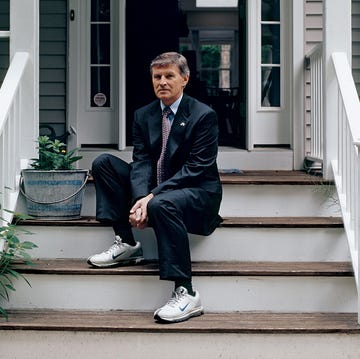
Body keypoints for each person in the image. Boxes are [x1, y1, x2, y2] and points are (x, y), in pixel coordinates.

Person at [87, 52, 222, 323]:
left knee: (162, 202)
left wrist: (151, 197)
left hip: (196, 193)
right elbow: (141, 162)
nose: (162, 82)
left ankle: (187, 292)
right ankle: (126, 242)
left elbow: (195, 169)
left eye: (169, 76)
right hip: (155, 192)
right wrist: (140, 200)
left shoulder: (203, 116)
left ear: (184, 79)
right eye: (157, 76)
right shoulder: (144, 115)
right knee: (104, 163)